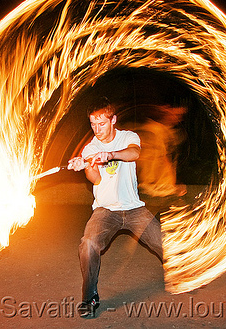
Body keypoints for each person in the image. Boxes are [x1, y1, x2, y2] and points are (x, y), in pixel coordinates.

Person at [68, 97, 163, 318]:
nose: (97, 129)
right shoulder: (90, 147)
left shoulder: (128, 136)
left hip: (133, 208)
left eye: (101, 123)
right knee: (88, 244)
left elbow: (134, 153)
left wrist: (110, 155)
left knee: (163, 243)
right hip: (105, 210)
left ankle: (185, 274)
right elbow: (96, 180)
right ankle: (89, 298)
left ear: (113, 120)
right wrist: (87, 165)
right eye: (92, 124)